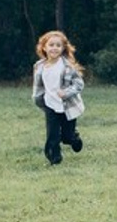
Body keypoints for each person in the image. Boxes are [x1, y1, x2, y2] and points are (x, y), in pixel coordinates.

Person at [32, 30, 86, 165]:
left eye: (58, 45)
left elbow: (79, 84)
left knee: (67, 136)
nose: (54, 48)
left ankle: (74, 138)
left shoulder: (68, 67)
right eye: (51, 45)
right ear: (44, 47)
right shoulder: (39, 66)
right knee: (52, 135)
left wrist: (67, 92)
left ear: (63, 49)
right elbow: (39, 86)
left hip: (67, 106)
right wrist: (38, 99)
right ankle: (54, 158)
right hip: (50, 105)